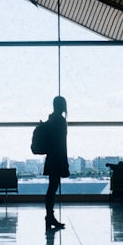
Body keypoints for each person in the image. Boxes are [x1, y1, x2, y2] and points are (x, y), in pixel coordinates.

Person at [42, 95, 69, 230]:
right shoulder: (60, 121)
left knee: (51, 188)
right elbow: (62, 144)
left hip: (51, 158)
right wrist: (65, 163)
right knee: (53, 188)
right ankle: (49, 217)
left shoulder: (51, 119)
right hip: (58, 159)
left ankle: (49, 216)